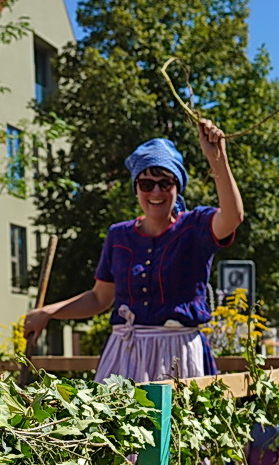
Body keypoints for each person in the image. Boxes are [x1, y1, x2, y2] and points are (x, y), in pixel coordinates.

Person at [23, 122, 243, 381]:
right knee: (114, 421)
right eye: (147, 184)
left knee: (177, 421)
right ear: (136, 188)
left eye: (165, 183)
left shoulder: (194, 227)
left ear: (177, 186)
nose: (156, 192)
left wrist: (217, 159)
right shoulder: (119, 235)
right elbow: (99, 299)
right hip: (124, 353)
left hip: (177, 353)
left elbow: (233, 217)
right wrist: (49, 312)